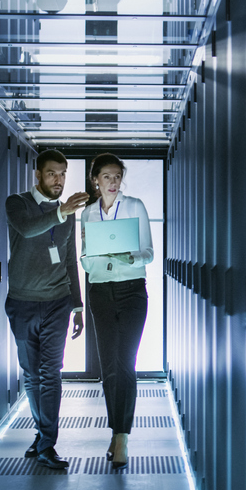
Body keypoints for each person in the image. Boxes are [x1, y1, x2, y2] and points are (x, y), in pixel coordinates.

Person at [6, 150, 92, 469]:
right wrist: (61, 212)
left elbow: (69, 259)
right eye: (52, 173)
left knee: (50, 372)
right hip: (22, 302)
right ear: (38, 175)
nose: (59, 180)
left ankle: (47, 443)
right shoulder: (16, 204)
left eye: (63, 174)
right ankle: (42, 434)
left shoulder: (66, 213)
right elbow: (28, 230)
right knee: (31, 375)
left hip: (57, 302)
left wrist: (78, 306)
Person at [79, 153, 154, 468]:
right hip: (100, 292)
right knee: (109, 366)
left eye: (117, 176)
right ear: (95, 180)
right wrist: (98, 255)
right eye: (106, 176)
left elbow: (148, 253)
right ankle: (115, 429)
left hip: (132, 291)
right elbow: (83, 258)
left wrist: (127, 256)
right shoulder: (87, 214)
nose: (112, 182)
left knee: (126, 364)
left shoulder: (135, 206)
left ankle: (122, 436)